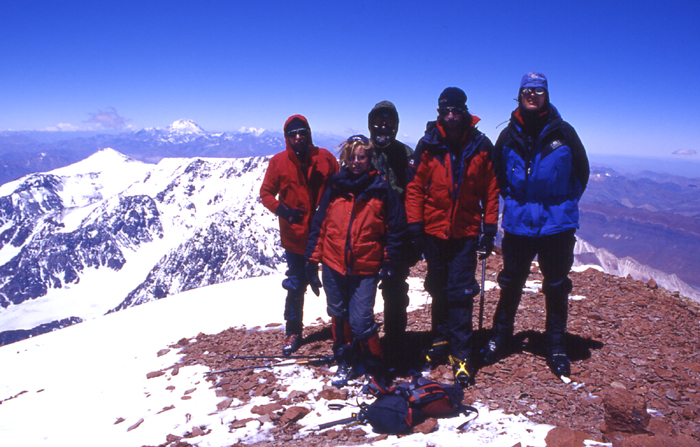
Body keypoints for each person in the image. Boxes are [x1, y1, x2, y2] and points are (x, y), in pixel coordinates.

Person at [482, 72, 590, 377]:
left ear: (547, 95)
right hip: (518, 225)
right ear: (519, 95)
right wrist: (516, 202)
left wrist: (564, 204)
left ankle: (555, 345)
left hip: (557, 225)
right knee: (511, 283)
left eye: (539, 91)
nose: (533, 95)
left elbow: (581, 172)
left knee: (556, 285)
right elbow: (497, 174)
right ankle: (500, 337)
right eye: (528, 90)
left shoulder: (564, 132)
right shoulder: (508, 134)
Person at [405, 87, 499, 387]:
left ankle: (461, 354)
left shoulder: (481, 145)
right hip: (434, 231)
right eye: (446, 111)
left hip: (466, 232)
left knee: (460, 293)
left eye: (456, 111)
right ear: (439, 113)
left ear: (465, 111)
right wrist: (415, 228)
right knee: (437, 286)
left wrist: (489, 229)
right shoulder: (428, 144)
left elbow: (492, 190)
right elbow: (415, 189)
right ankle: (441, 339)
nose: (451, 116)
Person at [305, 135, 406, 387]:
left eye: (361, 156)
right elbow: (320, 227)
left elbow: (395, 229)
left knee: (361, 320)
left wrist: (390, 262)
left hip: (365, 267)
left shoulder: (382, 190)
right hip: (333, 264)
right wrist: (311, 260)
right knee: (339, 316)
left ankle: (375, 365)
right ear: (345, 159)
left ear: (370, 158)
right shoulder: (335, 188)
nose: (357, 161)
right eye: (352, 157)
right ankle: (346, 360)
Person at [260, 115, 339, 356]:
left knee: (334, 282)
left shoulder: (325, 158)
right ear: (287, 137)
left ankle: (341, 331)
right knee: (296, 284)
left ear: (309, 133)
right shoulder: (278, 162)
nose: (298, 138)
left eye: (302, 133)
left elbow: (340, 185)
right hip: (295, 237)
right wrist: (284, 211)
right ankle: (293, 331)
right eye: (293, 134)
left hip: (326, 234)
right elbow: (265, 194)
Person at [367, 101, 414, 361]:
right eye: (378, 121)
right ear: (370, 124)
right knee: (363, 288)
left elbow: (417, 193)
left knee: (395, 288)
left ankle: (395, 340)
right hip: (368, 235)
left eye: (388, 121)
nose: (383, 126)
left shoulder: (407, 155)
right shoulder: (361, 154)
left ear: (396, 126)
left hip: (398, 236)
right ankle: (365, 341)